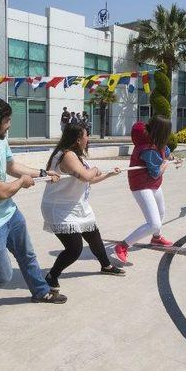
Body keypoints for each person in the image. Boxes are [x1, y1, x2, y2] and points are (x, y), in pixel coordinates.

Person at [0, 96, 67, 309]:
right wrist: (22, 183)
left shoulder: (0, 141)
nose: (10, 125)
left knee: (27, 255)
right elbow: (0, 191)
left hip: (10, 214)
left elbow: (11, 166)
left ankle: (41, 291)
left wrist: (42, 173)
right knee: (2, 275)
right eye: (7, 120)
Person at [41, 123, 125, 290]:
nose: (88, 139)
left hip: (77, 206)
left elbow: (88, 179)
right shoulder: (67, 155)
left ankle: (105, 266)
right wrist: (94, 169)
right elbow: (87, 175)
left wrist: (109, 174)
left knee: (94, 236)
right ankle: (52, 275)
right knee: (74, 248)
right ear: (78, 139)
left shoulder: (76, 156)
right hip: (60, 208)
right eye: (86, 135)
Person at [113, 116, 182, 263]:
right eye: (168, 131)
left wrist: (175, 159)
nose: (170, 133)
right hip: (141, 185)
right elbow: (156, 172)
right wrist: (164, 164)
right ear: (161, 131)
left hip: (153, 184)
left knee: (161, 212)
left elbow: (167, 154)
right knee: (154, 223)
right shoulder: (147, 149)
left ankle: (156, 238)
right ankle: (122, 245)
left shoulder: (159, 143)